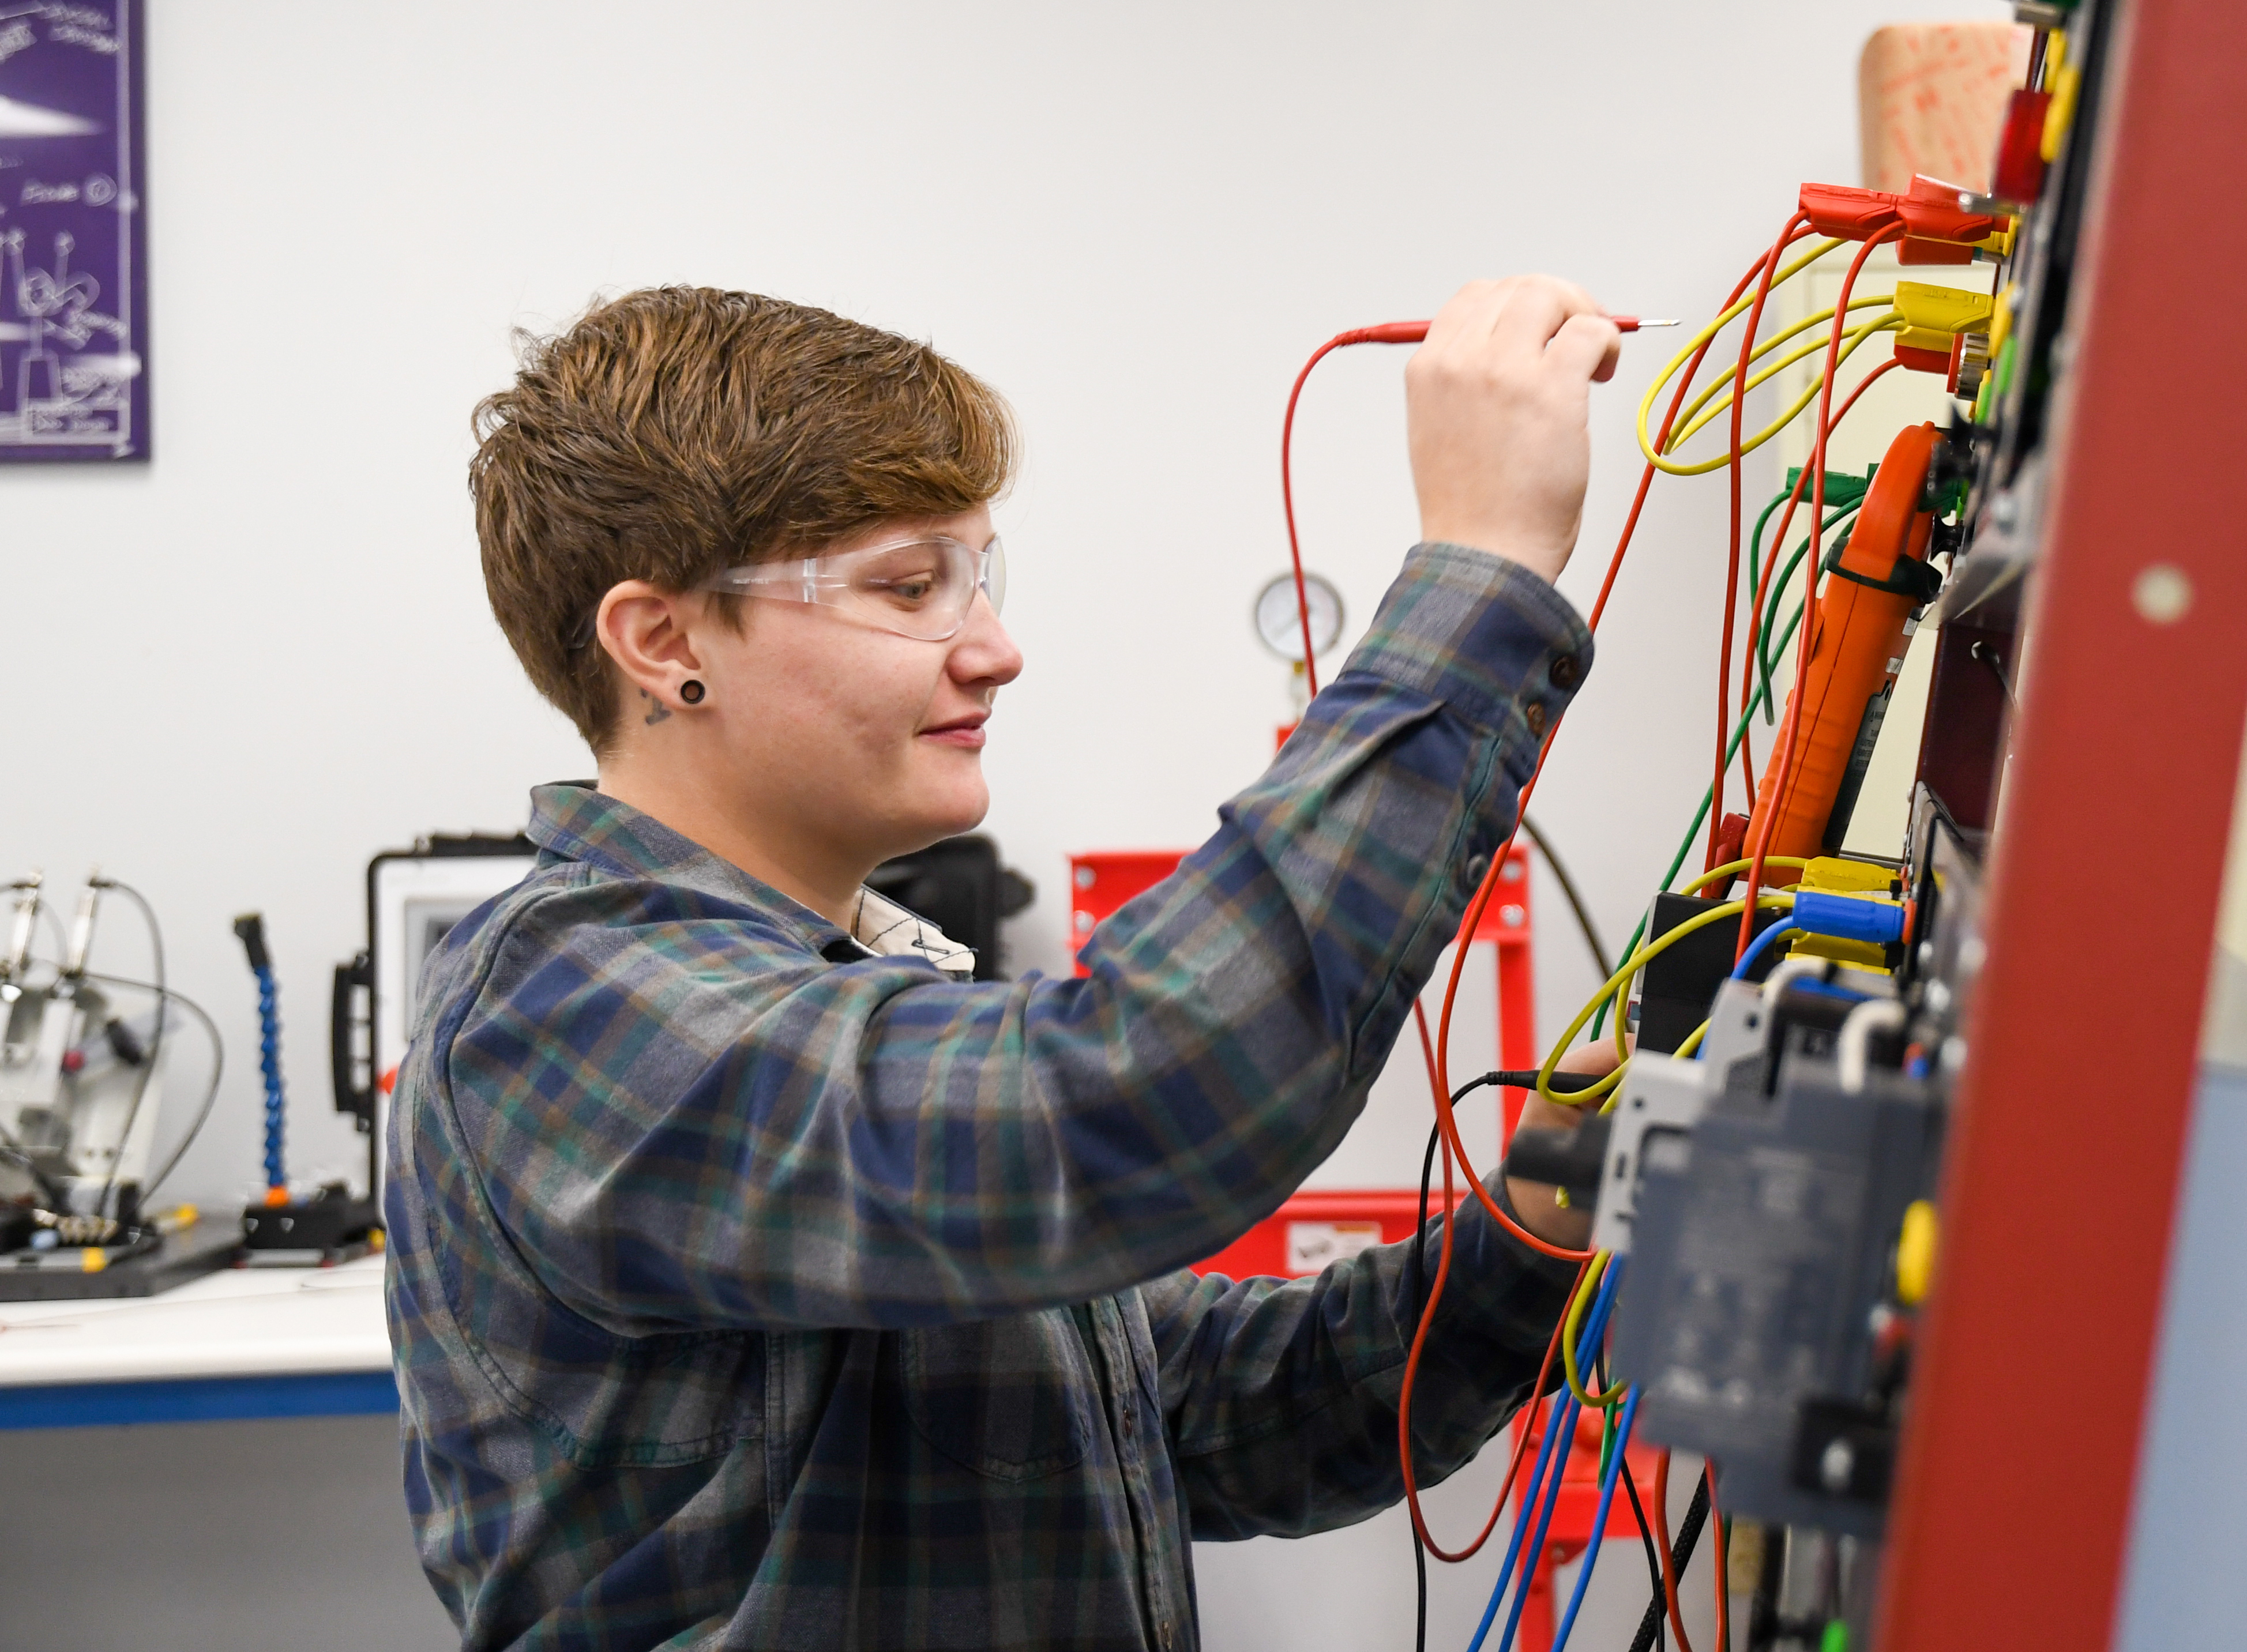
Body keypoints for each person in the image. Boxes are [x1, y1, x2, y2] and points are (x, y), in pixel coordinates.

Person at [388, 277, 1625, 1650]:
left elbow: (1215, 1414)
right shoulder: (565, 1005)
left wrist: (1547, 1211)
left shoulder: (868, 985)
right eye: (911, 585)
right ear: (665, 641)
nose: (996, 648)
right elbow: (1123, 1103)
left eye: (976, 577)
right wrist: (1484, 567)